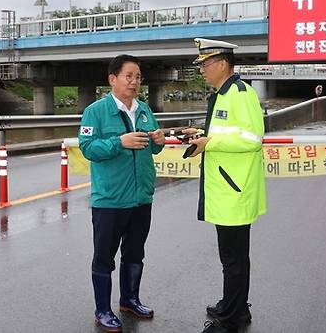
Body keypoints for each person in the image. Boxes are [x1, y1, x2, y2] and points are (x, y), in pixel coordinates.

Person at [182, 38, 267, 333]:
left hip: (235, 191)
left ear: (221, 63)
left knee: (233, 259)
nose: (202, 70)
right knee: (232, 257)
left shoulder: (241, 94)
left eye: (205, 64)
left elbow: (253, 139)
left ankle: (231, 319)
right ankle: (235, 306)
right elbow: (228, 131)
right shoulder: (223, 94)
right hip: (226, 190)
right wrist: (201, 133)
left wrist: (211, 142)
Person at [78, 54, 166, 332]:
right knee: (104, 256)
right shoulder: (96, 111)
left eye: (138, 76)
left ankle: (129, 300)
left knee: (135, 253)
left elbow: (152, 148)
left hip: (141, 197)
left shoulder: (143, 110)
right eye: (129, 76)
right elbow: (88, 147)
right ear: (112, 79)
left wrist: (158, 142)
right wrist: (119, 142)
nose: (134, 81)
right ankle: (102, 310)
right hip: (111, 199)